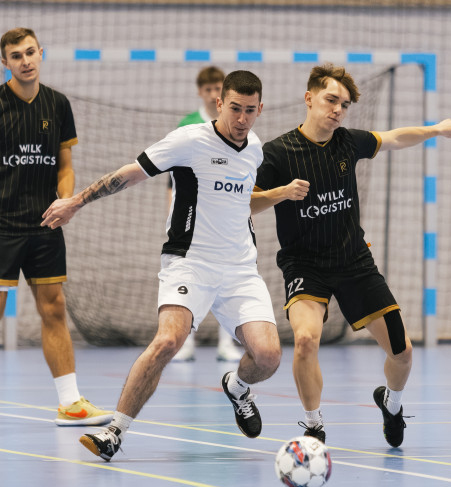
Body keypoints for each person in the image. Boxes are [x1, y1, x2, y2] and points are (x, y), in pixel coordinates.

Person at [42, 71, 285, 461]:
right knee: (167, 341)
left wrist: (278, 196)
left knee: (269, 356)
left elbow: (242, 202)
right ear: (219, 104)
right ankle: (114, 432)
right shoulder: (190, 140)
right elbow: (128, 174)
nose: (242, 119)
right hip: (189, 263)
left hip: (240, 270)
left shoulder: (254, 149)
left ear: (261, 109)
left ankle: (238, 387)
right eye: (235, 108)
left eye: (250, 111)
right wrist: (76, 202)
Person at [252, 63, 451, 446]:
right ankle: (313, 425)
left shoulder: (348, 142)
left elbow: (395, 137)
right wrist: (280, 194)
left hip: (354, 262)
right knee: (305, 340)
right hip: (305, 265)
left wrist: (435, 129)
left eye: (345, 104)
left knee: (402, 352)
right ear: (309, 98)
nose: (338, 109)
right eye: (331, 99)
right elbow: (246, 204)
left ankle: (392, 402)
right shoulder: (277, 153)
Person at [0, 27, 111, 427]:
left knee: (54, 307)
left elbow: (65, 166)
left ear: (41, 53)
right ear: (5, 62)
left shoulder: (59, 105)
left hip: (44, 225)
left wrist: (66, 200)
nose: (25, 61)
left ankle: (70, 402)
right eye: (16, 55)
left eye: (30, 52)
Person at [171, 65, 244, 363]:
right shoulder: (188, 125)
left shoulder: (236, 126)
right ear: (201, 93)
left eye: (219, 89)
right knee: (189, 279)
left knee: (228, 278)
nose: (214, 94)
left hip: (224, 217)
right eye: (209, 89)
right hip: (192, 218)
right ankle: (185, 341)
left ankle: (226, 342)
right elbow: (173, 177)